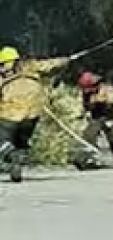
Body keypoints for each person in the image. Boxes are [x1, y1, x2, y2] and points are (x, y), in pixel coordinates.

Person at [0, 46, 70, 183]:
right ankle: (17, 164)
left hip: (8, 115)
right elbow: (51, 65)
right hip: (32, 115)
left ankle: (13, 157)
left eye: (2, 64)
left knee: (3, 143)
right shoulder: (32, 67)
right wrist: (65, 60)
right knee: (21, 143)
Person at [72, 71, 113, 169]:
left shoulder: (107, 89)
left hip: (110, 115)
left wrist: (111, 119)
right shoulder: (86, 92)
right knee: (89, 135)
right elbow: (85, 105)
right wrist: (84, 112)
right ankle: (85, 159)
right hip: (96, 116)